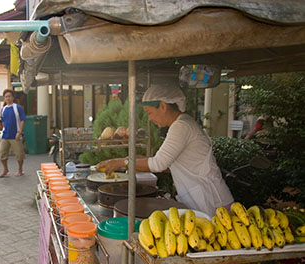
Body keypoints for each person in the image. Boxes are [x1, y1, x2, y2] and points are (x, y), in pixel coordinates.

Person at [96, 84, 233, 217]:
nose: (149, 119)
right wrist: (129, 159)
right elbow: (164, 163)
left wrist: (121, 162)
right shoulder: (181, 123)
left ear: (162, 106)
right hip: (201, 198)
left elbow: (158, 164)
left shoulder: (181, 126)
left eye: (150, 113)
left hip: (212, 201)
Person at [0, 88, 26, 177]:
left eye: (9, 96)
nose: (8, 98)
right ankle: (5, 169)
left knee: (19, 154)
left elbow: (22, 120)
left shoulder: (17, 107)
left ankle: (20, 170)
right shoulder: (3, 109)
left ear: (13, 97)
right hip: (5, 135)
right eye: (6, 97)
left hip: (15, 135)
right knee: (2, 153)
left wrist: (19, 132)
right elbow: (2, 121)